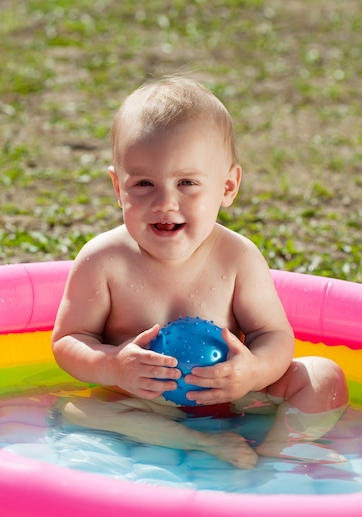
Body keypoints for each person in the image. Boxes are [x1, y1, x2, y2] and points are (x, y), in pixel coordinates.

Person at [51, 76, 348, 469]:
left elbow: (273, 335)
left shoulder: (237, 257)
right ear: (117, 187)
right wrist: (113, 365)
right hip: (146, 403)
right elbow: (69, 340)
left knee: (323, 377)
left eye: (187, 183)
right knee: (73, 409)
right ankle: (199, 443)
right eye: (143, 183)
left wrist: (252, 371)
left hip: (234, 394)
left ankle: (281, 454)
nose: (165, 202)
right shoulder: (103, 260)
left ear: (227, 186)